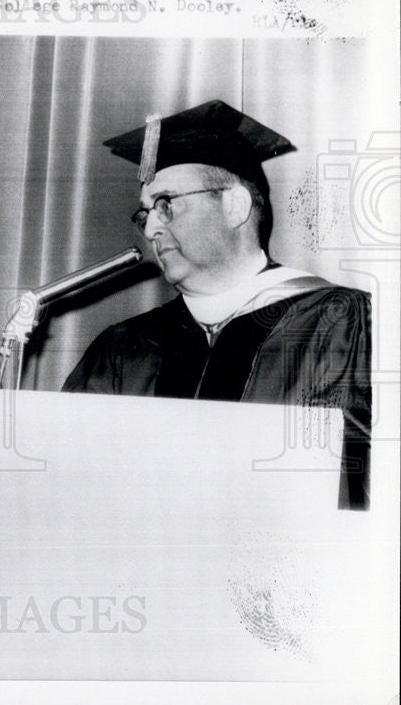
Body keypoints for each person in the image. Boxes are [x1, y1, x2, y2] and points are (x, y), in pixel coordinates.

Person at [62, 100, 371, 510]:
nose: (151, 227)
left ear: (235, 206)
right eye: (145, 213)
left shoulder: (337, 323)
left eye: (166, 204)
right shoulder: (122, 348)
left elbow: (356, 490)